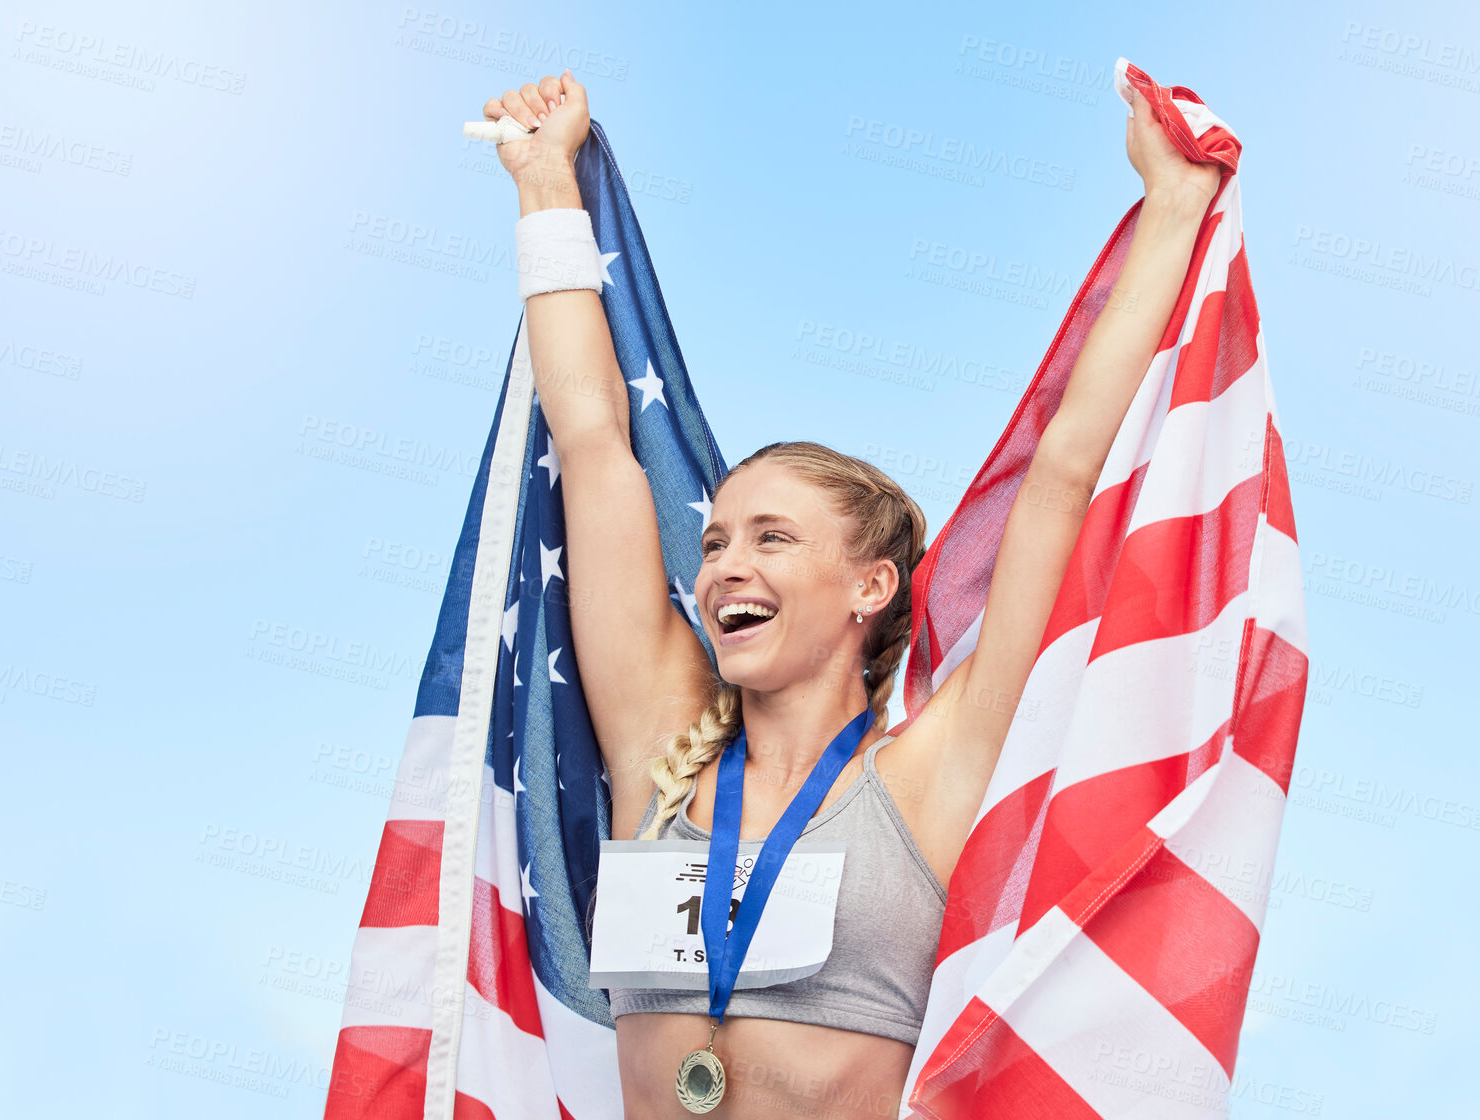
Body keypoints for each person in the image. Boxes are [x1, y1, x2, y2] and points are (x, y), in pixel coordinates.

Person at [483, 68, 1221, 1120]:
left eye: (773, 538)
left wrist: (1173, 206)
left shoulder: (929, 770)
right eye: (719, 541)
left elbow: (1060, 478)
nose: (726, 564)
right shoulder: (659, 746)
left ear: (871, 586)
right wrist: (545, 185)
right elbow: (595, 445)